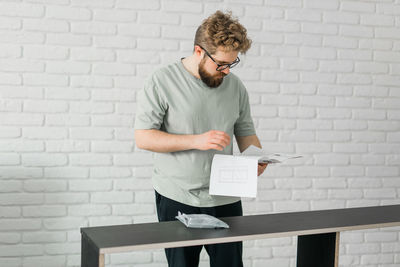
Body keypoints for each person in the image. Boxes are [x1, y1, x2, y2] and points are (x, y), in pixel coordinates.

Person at [134, 10, 267, 267]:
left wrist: (256, 158)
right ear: (198, 52)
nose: (226, 71)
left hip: (227, 196)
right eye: (220, 64)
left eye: (232, 63)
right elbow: (144, 137)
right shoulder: (162, 81)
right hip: (178, 196)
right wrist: (195, 140)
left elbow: (246, 131)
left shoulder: (236, 86)